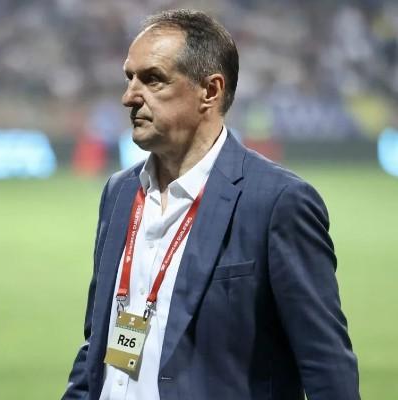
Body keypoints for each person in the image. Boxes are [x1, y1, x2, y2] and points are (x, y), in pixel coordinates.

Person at [62, 9, 360, 400]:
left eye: (152, 79)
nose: (129, 96)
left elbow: (327, 367)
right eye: (129, 77)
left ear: (210, 91)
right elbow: (99, 342)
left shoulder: (277, 202)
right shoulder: (119, 193)